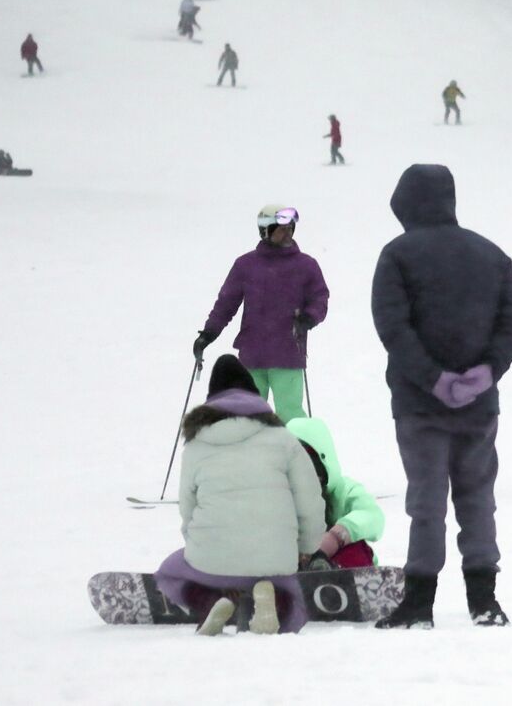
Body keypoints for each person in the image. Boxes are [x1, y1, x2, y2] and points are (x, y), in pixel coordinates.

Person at [370, 164, 512, 628]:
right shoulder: (492, 255)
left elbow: (392, 326)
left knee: (427, 501)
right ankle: (484, 600)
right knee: (478, 498)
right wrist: (485, 372)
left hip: (420, 404)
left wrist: (432, 378)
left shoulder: (397, 255)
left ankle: (420, 602)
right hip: (479, 406)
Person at [154, 354, 326, 636]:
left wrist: (196, 542)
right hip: (275, 554)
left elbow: (188, 507)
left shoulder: (196, 445)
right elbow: (309, 498)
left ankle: (209, 601)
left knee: (170, 572)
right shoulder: (283, 438)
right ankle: (273, 599)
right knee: (289, 592)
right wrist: (307, 546)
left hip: (211, 555)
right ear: (255, 395)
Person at [193, 205, 329, 421]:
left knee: (290, 415)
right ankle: (254, 454)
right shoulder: (246, 265)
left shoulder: (306, 266)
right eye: (281, 229)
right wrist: (208, 334)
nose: (288, 233)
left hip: (288, 355)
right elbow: (226, 304)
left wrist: (308, 318)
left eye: (290, 228)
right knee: (251, 417)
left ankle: (298, 452)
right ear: (265, 231)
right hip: (252, 356)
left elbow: (320, 299)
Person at [287, 417, 384, 569]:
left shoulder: (345, 491)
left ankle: (357, 585)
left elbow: (373, 517)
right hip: (289, 571)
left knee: (355, 549)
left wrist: (336, 537)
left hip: (341, 567)